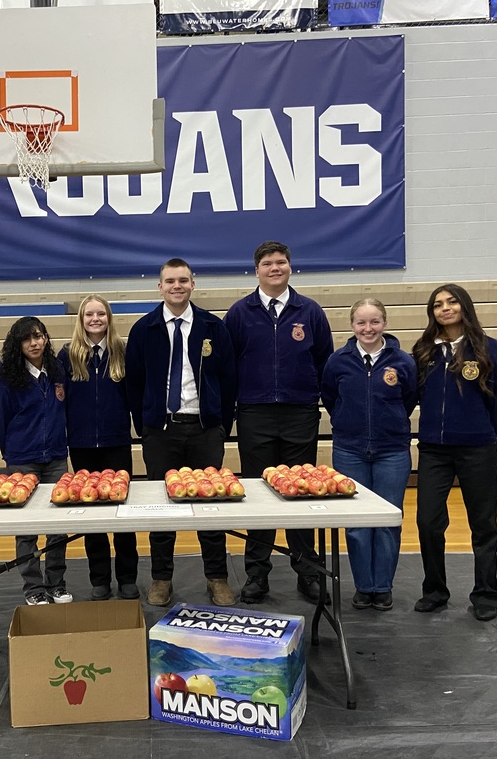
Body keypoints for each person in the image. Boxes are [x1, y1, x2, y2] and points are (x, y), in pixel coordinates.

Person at [223, 241, 334, 606]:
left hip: (300, 413)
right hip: (255, 414)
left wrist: (313, 398)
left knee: (301, 493)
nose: (275, 268)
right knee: (257, 494)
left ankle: (308, 571)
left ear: (290, 267)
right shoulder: (240, 313)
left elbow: (325, 363)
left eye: (281, 262)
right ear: (256, 270)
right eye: (267, 263)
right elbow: (227, 368)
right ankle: (257, 575)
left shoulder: (311, 311)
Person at [125, 258, 238, 607]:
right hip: (161, 431)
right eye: (170, 281)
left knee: (211, 508)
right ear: (159, 286)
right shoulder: (144, 329)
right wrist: (146, 425)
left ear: (193, 284)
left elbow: (229, 379)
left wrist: (220, 425)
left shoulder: (212, 327)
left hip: (204, 430)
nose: (177, 286)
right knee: (161, 509)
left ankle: (217, 577)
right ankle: (161, 579)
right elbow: (135, 383)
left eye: (183, 280)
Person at [411, 285, 497, 622]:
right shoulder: (423, 350)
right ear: (432, 313)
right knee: (427, 521)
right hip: (434, 450)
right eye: (438, 304)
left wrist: (490, 439)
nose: (445, 308)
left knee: (482, 524)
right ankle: (435, 590)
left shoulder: (488, 349)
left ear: (464, 306)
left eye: (451, 302)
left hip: (477, 448)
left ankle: (486, 593)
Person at [321, 299, 417, 612]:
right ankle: (364, 586)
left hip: (392, 451)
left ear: (384, 323)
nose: (368, 329)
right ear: (352, 326)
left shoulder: (403, 362)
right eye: (361, 323)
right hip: (350, 451)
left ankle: (383, 586)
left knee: (388, 520)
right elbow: (330, 397)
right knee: (358, 523)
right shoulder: (338, 361)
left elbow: (409, 399)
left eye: (374, 322)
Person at [57, 295, 140, 601]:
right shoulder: (67, 356)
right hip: (80, 444)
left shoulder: (122, 351)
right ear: (81, 319)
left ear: (109, 318)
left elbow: (133, 395)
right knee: (91, 514)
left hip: (116, 442)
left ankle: (128, 576)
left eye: (100, 314)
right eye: (89, 314)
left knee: (122, 513)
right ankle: (100, 578)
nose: (95, 319)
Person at [0, 316, 73, 606]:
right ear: (18, 344)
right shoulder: (7, 378)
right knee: (26, 529)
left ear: (46, 339)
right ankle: (33, 587)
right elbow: (1, 421)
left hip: (54, 458)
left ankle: (56, 583)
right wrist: (12, 454)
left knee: (57, 526)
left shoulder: (57, 370)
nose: (34, 343)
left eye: (39, 336)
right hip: (22, 460)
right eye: (27, 338)